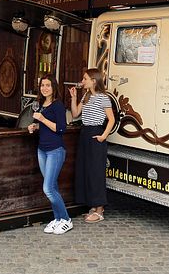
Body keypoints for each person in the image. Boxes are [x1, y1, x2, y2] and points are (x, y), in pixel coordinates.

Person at [27, 74, 72, 234]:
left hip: (55, 151)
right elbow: (45, 127)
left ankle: (66, 219)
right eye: (42, 85)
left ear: (54, 87)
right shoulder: (41, 104)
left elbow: (61, 129)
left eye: (48, 85)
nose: (44, 88)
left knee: (48, 188)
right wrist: (35, 126)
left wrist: (43, 120)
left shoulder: (58, 105)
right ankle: (57, 218)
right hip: (42, 150)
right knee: (52, 187)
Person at [69, 68, 115, 223]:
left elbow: (111, 119)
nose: (82, 81)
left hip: (96, 134)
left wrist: (103, 136)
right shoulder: (86, 96)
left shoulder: (104, 98)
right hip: (85, 133)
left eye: (85, 79)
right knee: (86, 170)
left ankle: (100, 210)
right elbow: (75, 114)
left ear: (94, 81)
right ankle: (92, 205)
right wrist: (74, 98)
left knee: (96, 172)